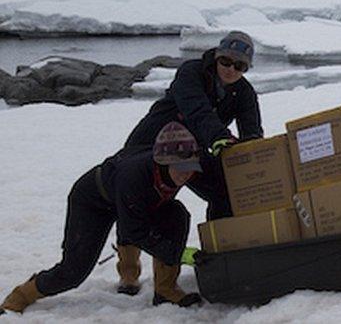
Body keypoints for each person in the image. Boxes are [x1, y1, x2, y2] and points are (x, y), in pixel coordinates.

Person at [113, 31, 263, 295]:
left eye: (239, 66)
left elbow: (252, 133)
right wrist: (218, 137)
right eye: (226, 61)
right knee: (138, 203)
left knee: (223, 191)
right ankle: (129, 271)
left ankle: (220, 251)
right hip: (149, 145)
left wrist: (255, 157)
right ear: (217, 57)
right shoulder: (191, 72)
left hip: (191, 150)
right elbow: (196, 110)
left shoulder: (244, 93)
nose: (231, 69)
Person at [1, 122, 205, 315]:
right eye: (180, 167)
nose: (185, 174)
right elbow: (134, 230)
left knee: (176, 214)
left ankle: (165, 290)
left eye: (190, 167)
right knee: (74, 271)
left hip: (128, 199)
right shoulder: (134, 176)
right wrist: (179, 253)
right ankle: (20, 295)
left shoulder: (177, 171)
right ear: (163, 161)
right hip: (92, 202)